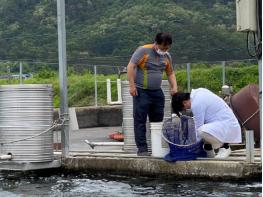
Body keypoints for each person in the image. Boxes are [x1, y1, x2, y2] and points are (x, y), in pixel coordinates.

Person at [127, 32, 178, 156]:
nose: (164, 50)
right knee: (140, 120)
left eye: (167, 48)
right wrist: (132, 86)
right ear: (156, 43)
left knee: (157, 121)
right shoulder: (143, 50)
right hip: (141, 91)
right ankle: (142, 149)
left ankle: (157, 147)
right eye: (162, 48)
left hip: (157, 92)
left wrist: (174, 87)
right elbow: (130, 66)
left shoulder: (167, 56)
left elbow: (170, 73)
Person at [171, 88, 241, 159]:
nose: (186, 109)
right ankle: (208, 150)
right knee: (201, 130)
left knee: (201, 131)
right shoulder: (198, 92)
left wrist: (192, 148)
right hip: (225, 123)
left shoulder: (196, 104)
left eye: (184, 108)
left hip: (227, 124)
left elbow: (198, 127)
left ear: (184, 103)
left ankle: (225, 147)